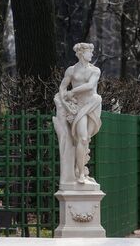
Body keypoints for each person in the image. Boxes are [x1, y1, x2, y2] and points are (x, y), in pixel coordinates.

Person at [54, 43, 102, 186]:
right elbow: (62, 87)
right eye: (89, 52)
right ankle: (80, 173)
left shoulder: (95, 70)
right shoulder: (71, 70)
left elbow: (90, 86)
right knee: (81, 138)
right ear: (82, 53)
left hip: (92, 105)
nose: (92, 55)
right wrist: (65, 102)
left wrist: (72, 92)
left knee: (85, 139)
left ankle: (80, 168)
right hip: (78, 107)